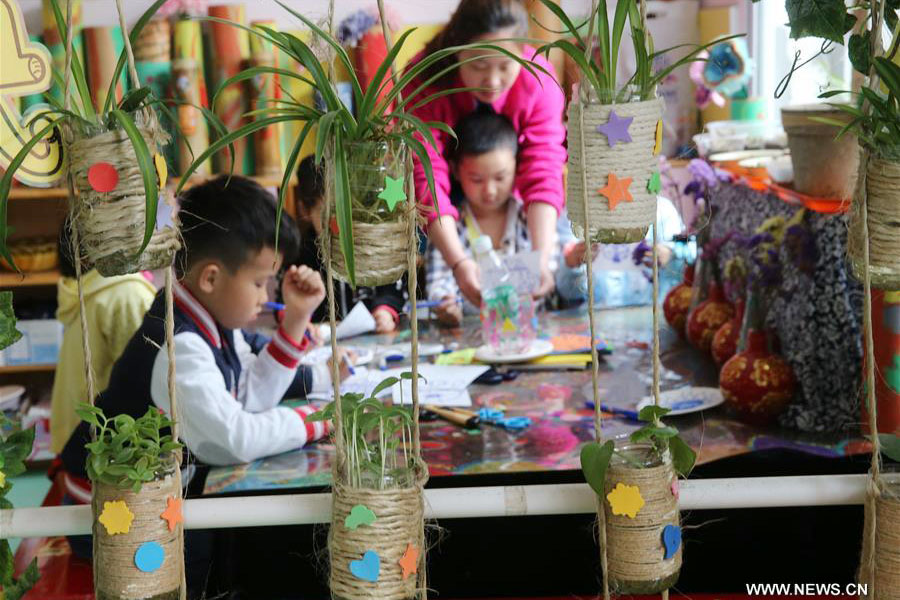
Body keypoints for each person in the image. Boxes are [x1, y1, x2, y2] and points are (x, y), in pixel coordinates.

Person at [61, 176, 345, 497]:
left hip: (157, 486)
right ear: (211, 278)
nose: (265, 297)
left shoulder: (209, 316)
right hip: (110, 504)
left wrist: (296, 318)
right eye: (258, 283)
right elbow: (233, 441)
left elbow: (249, 394)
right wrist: (319, 419)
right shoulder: (179, 347)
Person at [406, 0, 566, 307]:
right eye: (478, 66)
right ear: (457, 50)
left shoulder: (539, 81)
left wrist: (541, 258)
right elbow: (425, 172)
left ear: (522, 52)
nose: (492, 81)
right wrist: (458, 263)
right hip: (445, 202)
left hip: (510, 195)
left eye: (505, 66)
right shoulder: (423, 80)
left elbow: (543, 167)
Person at [427, 109, 577, 326]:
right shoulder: (448, 230)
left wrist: (567, 264)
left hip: (536, 331)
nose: (489, 190)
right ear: (456, 171)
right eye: (476, 179)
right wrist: (446, 304)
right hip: (475, 333)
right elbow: (439, 284)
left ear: (517, 166)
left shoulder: (533, 220)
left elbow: (555, 276)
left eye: (500, 177)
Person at [50, 220, 156, 454]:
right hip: (104, 446)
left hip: (77, 436)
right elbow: (143, 380)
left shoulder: (88, 288)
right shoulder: (126, 293)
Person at [293, 155, 405, 333]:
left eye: (348, 211)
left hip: (374, 338)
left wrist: (385, 311)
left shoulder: (371, 245)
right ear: (304, 209)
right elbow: (285, 306)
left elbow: (392, 286)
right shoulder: (300, 255)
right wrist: (298, 319)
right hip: (323, 343)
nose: (339, 224)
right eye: (328, 214)